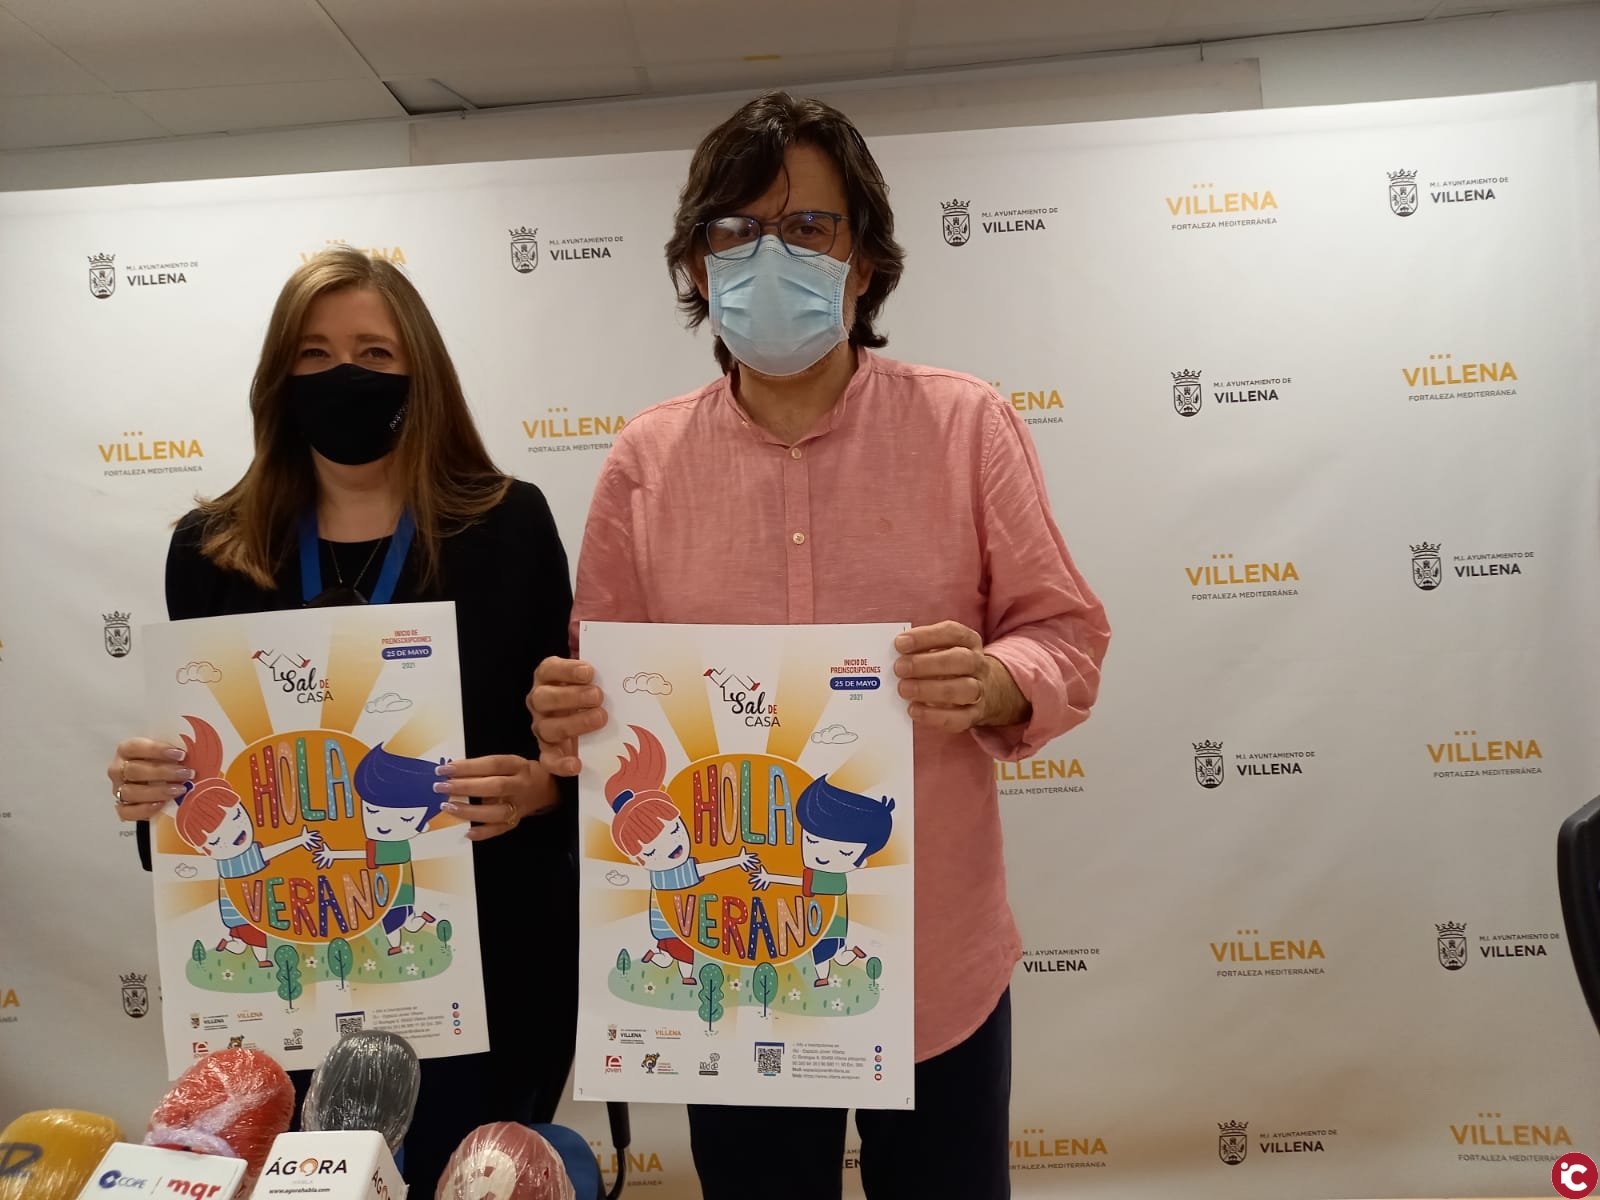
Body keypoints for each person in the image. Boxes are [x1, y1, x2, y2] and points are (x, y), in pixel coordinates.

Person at [528, 91, 1111, 1200]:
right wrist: (569, 720)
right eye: (736, 229)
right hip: (731, 951)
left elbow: (1067, 636)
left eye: (807, 226)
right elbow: (600, 696)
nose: (769, 255)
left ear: (865, 261)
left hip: (931, 962)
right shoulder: (644, 462)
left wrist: (995, 680)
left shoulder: (965, 426)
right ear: (695, 266)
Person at [103, 248, 578, 1198]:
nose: (343, 376)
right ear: (278, 379)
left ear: (421, 371)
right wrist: (155, 796)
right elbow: (200, 806)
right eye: (313, 355)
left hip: (482, 968)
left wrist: (539, 791)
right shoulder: (210, 551)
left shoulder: (510, 527)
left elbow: (565, 760)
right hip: (285, 973)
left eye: (373, 353)